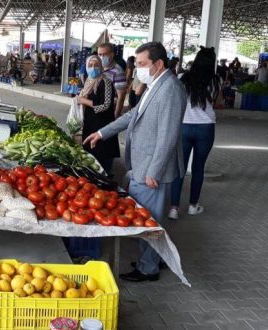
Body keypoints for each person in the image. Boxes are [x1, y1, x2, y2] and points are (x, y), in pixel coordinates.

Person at [84, 42, 186, 282]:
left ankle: (148, 268)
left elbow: (168, 135)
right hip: (143, 164)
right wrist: (102, 132)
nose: (137, 69)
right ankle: (151, 259)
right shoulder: (154, 85)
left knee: (149, 220)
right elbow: (133, 115)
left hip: (151, 168)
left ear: (158, 64)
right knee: (148, 216)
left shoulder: (170, 89)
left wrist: (155, 171)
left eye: (141, 64)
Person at [169, 47, 220, 220]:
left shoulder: (183, 78)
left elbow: (175, 99)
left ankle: (174, 208)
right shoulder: (215, 81)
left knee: (179, 168)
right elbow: (219, 103)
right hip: (206, 128)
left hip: (184, 126)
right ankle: (192, 206)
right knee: (198, 168)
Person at [77, 55, 120, 175]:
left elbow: (106, 105)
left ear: (101, 66)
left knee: (103, 158)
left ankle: (106, 182)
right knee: (91, 156)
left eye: (96, 65)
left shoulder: (105, 81)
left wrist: (84, 101)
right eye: (90, 65)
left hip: (103, 125)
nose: (93, 68)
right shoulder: (89, 80)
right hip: (90, 123)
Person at [97, 43, 128, 118]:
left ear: (112, 54)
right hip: (97, 108)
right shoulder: (98, 68)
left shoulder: (118, 71)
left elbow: (121, 96)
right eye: (99, 54)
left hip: (108, 111)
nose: (101, 57)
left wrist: (116, 115)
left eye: (104, 54)